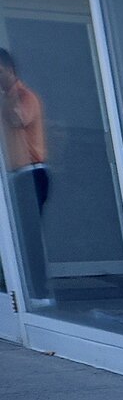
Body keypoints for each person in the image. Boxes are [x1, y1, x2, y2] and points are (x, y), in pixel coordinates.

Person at [0, 47, 50, 295]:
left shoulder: (23, 95)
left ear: (9, 70)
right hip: (13, 176)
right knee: (14, 237)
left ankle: (38, 293)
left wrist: (6, 97)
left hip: (30, 173)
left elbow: (16, 119)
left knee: (29, 237)